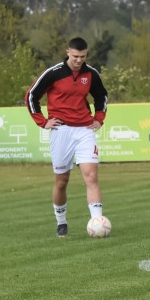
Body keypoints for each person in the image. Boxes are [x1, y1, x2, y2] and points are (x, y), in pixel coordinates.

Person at [26, 37, 109, 238]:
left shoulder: (91, 74)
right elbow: (31, 95)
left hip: (84, 130)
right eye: (75, 56)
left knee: (91, 176)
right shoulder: (53, 73)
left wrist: (99, 118)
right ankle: (61, 222)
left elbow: (102, 96)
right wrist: (43, 121)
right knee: (62, 181)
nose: (79, 60)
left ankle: (97, 222)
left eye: (83, 56)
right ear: (67, 52)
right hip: (61, 131)